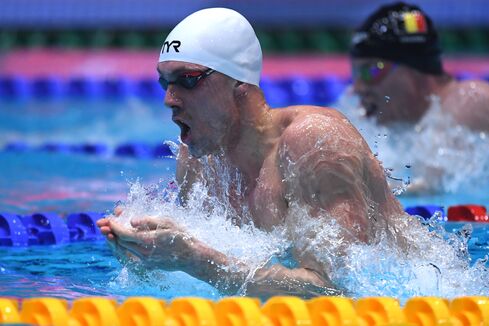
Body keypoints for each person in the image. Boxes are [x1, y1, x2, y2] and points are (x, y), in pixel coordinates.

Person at [97, 8, 406, 298]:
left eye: (187, 80)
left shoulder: (314, 143)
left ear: (239, 84)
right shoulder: (197, 161)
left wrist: (195, 260)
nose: (169, 99)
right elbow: (196, 281)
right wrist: (143, 257)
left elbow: (339, 291)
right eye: (165, 82)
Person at [337, 1, 489, 193]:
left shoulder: (470, 101)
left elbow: (431, 188)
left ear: (414, 68)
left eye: (371, 70)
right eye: (356, 73)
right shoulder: (403, 124)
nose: (358, 87)